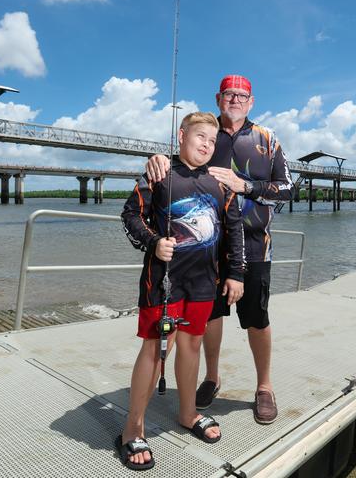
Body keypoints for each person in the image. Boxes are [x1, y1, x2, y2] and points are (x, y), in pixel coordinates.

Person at [146, 75, 293, 425]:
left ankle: (264, 386)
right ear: (218, 98)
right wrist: (157, 158)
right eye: (230, 94)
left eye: (242, 96)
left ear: (252, 102)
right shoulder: (206, 134)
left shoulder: (267, 139)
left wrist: (246, 186)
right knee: (209, 318)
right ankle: (212, 377)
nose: (236, 100)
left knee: (256, 318)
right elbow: (181, 164)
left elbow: (288, 188)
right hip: (207, 249)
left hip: (256, 245)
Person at [117, 111, 246, 470]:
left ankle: (188, 414)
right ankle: (132, 428)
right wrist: (154, 242)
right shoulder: (160, 174)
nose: (206, 144)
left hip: (205, 282)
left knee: (192, 345)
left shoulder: (220, 183)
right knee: (157, 351)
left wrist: (235, 274)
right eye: (199, 136)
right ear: (181, 135)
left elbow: (233, 230)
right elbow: (130, 215)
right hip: (164, 282)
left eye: (212, 140)